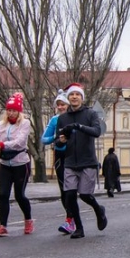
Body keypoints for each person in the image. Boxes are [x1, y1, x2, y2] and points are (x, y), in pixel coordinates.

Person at [55, 83, 108, 239]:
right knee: (70, 195)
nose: (74, 97)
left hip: (87, 161)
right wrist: (62, 140)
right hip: (70, 162)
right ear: (68, 97)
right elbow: (57, 142)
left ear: (82, 98)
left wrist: (79, 127)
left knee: (85, 195)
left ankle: (99, 210)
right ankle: (79, 228)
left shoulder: (90, 114)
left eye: (77, 95)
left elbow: (97, 131)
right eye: (71, 95)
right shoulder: (63, 118)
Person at [0, 93, 33, 237]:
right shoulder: (2, 124)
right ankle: (2, 226)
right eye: (9, 110)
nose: (11, 113)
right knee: (3, 194)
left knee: (19, 195)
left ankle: (28, 220)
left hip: (21, 163)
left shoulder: (25, 123)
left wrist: (2, 144)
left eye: (14, 110)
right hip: (5, 164)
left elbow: (19, 142)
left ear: (19, 111)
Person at [42, 91, 75, 234]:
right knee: (64, 189)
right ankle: (70, 219)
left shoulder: (75, 118)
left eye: (63, 104)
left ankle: (76, 217)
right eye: (59, 105)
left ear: (68, 105)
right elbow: (44, 139)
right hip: (60, 156)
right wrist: (56, 138)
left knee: (76, 190)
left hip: (74, 155)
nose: (61, 107)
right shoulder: (54, 120)